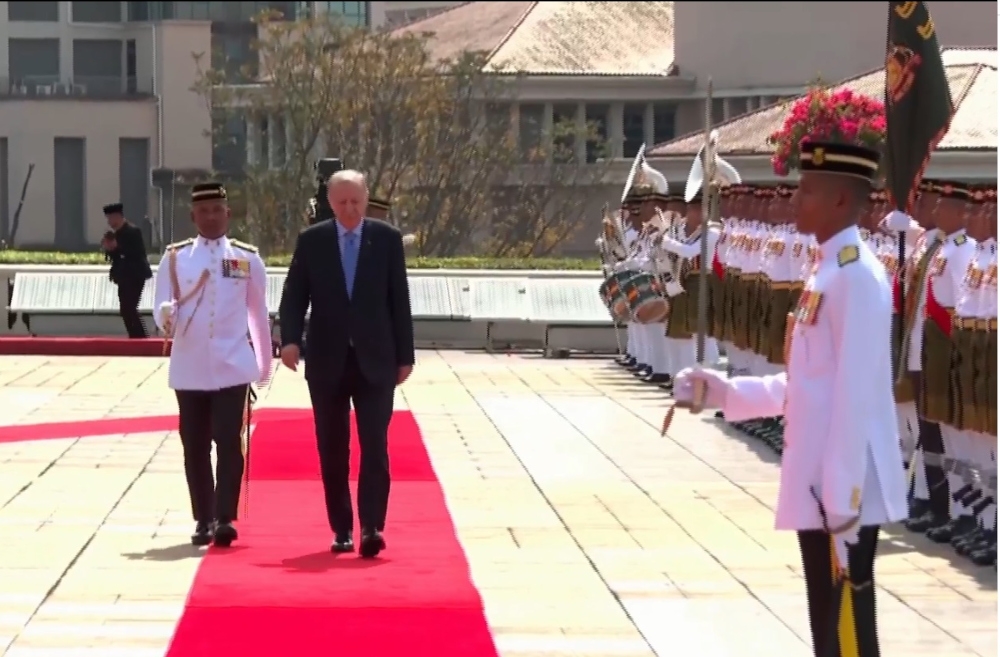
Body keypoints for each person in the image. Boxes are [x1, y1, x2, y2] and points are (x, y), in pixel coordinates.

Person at [673, 141, 907, 657]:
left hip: (837, 492)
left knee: (846, 635)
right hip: (820, 485)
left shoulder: (858, 277)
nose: (795, 200)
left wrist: (843, 503)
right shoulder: (826, 270)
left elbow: (856, 396)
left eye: (807, 191)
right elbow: (808, 385)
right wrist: (723, 391)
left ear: (841, 202)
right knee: (829, 631)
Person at [278, 169, 415, 558]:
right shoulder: (313, 241)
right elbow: (294, 295)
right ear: (330, 202)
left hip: (376, 361)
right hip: (327, 361)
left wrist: (405, 356)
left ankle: (372, 525)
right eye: (342, 203)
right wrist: (289, 340)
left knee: (375, 445)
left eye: (356, 201)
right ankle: (342, 528)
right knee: (333, 448)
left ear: (366, 197)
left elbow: (398, 301)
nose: (350, 209)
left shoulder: (386, 240)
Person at [152, 182, 272, 548]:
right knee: (195, 444)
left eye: (217, 210)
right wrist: (166, 316)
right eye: (204, 211)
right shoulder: (176, 259)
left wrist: (264, 364)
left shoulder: (245, 258)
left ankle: (224, 516)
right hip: (189, 366)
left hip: (232, 364)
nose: (211, 216)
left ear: (228, 214)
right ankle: (202, 518)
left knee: (229, 441)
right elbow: (159, 306)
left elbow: (258, 313)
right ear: (193, 216)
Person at [101, 203, 152, 338]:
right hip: (123, 277)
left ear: (118, 216)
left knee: (130, 308)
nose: (110, 222)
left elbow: (137, 253)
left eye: (111, 218)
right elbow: (115, 257)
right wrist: (110, 249)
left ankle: (140, 337)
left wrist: (118, 247)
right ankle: (135, 336)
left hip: (135, 275)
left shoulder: (133, 231)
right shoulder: (115, 234)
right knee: (125, 310)